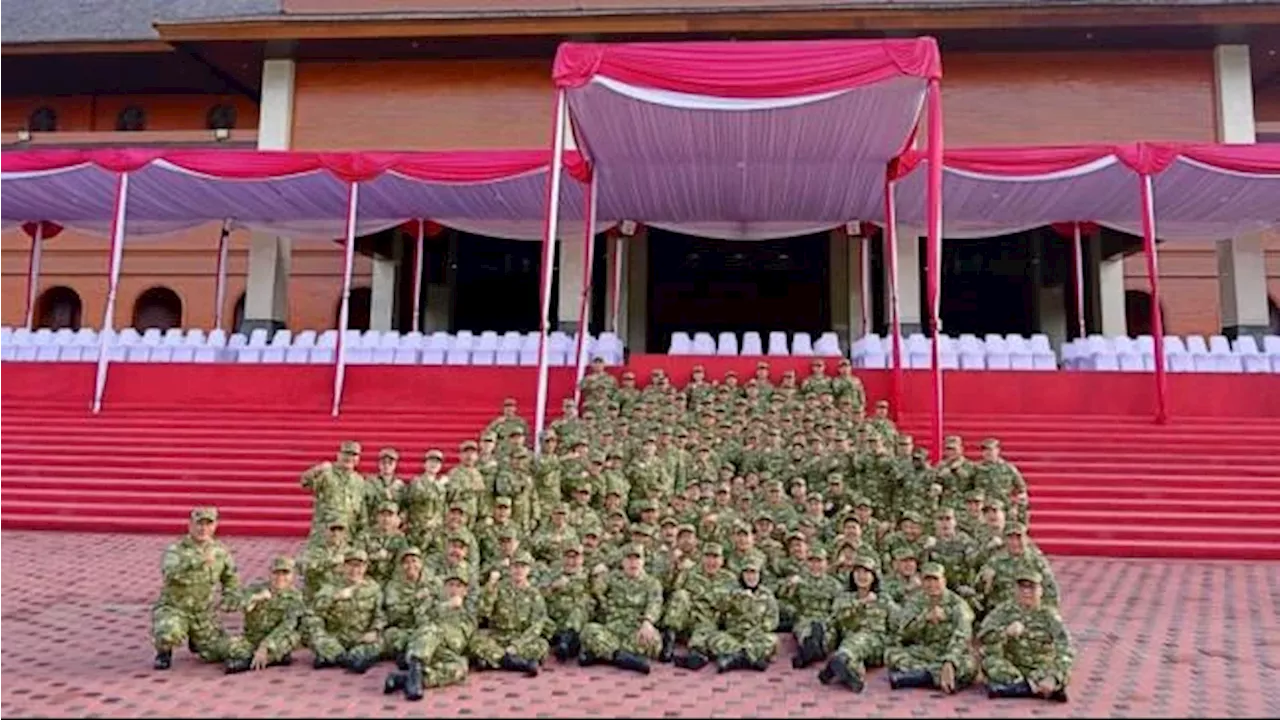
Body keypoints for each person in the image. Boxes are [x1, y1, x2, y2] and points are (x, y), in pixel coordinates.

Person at [151, 506, 240, 670]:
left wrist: (231, 596)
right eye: (199, 524)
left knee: (221, 650)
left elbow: (231, 577)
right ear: (190, 525)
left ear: (215, 526)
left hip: (203, 613)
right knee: (168, 632)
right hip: (176, 608)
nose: (203, 529)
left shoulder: (220, 551)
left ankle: (197, 640)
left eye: (208, 524)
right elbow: (170, 573)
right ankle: (164, 651)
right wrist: (197, 562)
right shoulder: (176, 550)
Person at [978, 569, 1073, 702]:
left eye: (1031, 588)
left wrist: (1054, 675)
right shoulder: (1003, 611)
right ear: (1015, 590)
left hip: (1040, 668)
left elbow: (1066, 648)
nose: (1026, 592)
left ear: (1040, 591)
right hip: (1010, 669)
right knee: (989, 659)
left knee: (1063, 668)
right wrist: (1005, 632)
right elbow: (983, 638)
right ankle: (1031, 689)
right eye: (1022, 587)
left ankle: (1017, 689)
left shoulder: (1049, 616)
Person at [885, 563, 976, 694]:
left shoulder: (958, 604)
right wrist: (924, 618)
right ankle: (934, 676)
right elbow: (903, 633)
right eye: (927, 580)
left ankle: (920, 677)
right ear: (922, 582)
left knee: (970, 665)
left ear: (944, 581)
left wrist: (950, 660)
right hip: (924, 652)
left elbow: (963, 636)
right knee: (891, 655)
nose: (932, 585)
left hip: (949, 651)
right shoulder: (915, 601)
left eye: (936, 580)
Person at [385, 571, 477, 701]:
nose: (454, 589)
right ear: (444, 588)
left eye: (458, 586)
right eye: (451, 585)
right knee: (432, 630)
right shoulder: (432, 603)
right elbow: (421, 621)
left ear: (465, 591)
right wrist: (446, 606)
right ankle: (415, 673)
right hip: (423, 646)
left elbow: (465, 635)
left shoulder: (469, 611)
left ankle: (408, 678)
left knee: (461, 667)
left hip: (445, 651)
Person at [580, 544, 664, 674]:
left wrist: (648, 622)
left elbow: (655, 604)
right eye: (629, 559)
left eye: (637, 559)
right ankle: (623, 657)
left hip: (636, 630)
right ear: (622, 562)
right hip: (612, 630)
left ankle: (605, 655)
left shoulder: (652, 583)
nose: (633, 563)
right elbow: (595, 592)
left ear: (643, 562)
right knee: (588, 631)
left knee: (654, 641)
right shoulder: (612, 578)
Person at [819, 555, 893, 693]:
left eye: (866, 572)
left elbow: (897, 624)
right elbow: (836, 617)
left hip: (875, 644)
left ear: (874, 577)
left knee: (858, 641)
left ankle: (838, 662)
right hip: (849, 642)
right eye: (857, 572)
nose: (862, 576)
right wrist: (859, 604)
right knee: (853, 656)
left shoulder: (884, 599)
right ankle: (847, 671)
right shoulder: (844, 598)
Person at [468, 551, 548, 676]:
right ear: (510, 568)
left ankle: (493, 660)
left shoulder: (534, 594)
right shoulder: (498, 588)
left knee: (542, 645)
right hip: (498, 635)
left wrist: (517, 646)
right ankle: (515, 662)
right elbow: (484, 612)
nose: (519, 570)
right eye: (516, 566)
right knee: (476, 640)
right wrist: (490, 587)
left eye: (523, 567)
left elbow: (537, 625)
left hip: (520, 637)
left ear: (529, 570)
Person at [307, 549, 385, 672]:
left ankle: (335, 657)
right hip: (336, 636)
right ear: (344, 566)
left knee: (380, 642)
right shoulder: (331, 586)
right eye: (350, 566)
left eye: (358, 566)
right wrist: (335, 597)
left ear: (365, 568)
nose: (354, 571)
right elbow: (315, 610)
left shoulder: (373, 588)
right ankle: (342, 657)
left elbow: (381, 614)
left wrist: (374, 630)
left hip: (361, 637)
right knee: (312, 628)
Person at [223, 555, 304, 674]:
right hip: (252, 638)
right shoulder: (256, 589)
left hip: (276, 639)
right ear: (269, 574)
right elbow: (234, 605)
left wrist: (265, 646)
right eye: (276, 573)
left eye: (285, 573)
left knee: (291, 639)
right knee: (229, 648)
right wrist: (255, 599)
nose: (280, 577)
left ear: (292, 576)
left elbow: (287, 626)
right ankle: (271, 658)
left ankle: (256, 660)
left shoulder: (296, 598)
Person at [703, 560, 778, 672]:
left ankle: (734, 659)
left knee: (772, 640)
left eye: (753, 573)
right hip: (734, 635)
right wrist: (734, 598)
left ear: (759, 575)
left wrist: (760, 628)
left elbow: (773, 619)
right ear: (741, 576)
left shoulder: (766, 594)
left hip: (755, 636)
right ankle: (750, 659)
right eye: (747, 573)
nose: (750, 577)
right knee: (713, 639)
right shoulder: (732, 591)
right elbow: (720, 607)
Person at [301, 441, 367, 542]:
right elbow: (305, 483)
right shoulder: (327, 474)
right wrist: (317, 469)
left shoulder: (359, 480)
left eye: (354, 455)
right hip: (325, 532)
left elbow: (361, 508)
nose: (349, 458)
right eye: (346, 454)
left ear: (358, 459)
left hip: (348, 534)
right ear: (339, 455)